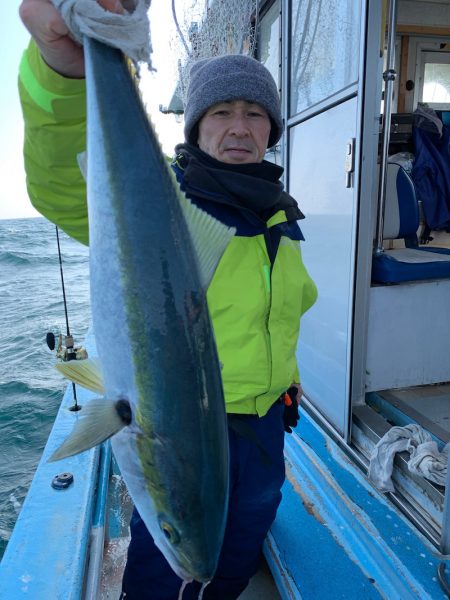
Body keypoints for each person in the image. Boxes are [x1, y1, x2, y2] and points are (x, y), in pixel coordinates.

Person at [19, 1, 318, 598]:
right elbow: (59, 181)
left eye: (256, 114)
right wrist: (63, 67)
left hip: (264, 430)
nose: (240, 127)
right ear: (197, 126)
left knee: (233, 548)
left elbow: (275, 321)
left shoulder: (281, 218)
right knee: (166, 567)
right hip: (186, 427)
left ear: (272, 130)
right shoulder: (160, 199)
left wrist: (289, 383)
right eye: (223, 112)